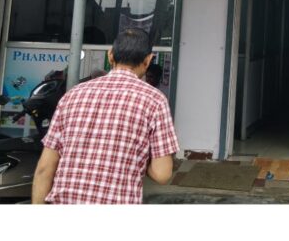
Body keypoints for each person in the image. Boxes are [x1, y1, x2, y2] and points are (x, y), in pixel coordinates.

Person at [31, 28, 179, 204]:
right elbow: (162, 174)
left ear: (110, 56)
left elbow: (44, 169)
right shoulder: (155, 100)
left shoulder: (73, 95)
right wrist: (135, 156)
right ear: (148, 60)